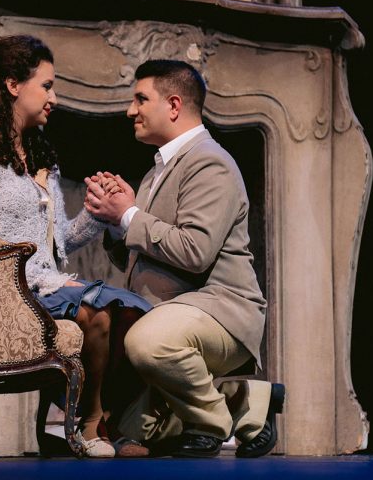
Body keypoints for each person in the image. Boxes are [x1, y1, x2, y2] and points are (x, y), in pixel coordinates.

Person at [0, 35, 151, 458]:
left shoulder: (39, 157)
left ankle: (110, 418)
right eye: (47, 86)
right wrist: (32, 276)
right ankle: (89, 423)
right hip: (1, 288)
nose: (54, 98)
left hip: (47, 282)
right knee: (93, 313)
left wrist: (98, 211)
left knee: (132, 312)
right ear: (13, 85)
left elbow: (59, 242)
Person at [84, 60, 285, 458]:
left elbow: (195, 251)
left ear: (174, 105)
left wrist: (129, 215)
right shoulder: (157, 172)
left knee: (148, 342)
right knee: (128, 430)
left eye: (141, 99)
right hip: (170, 313)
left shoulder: (209, 162)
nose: (130, 110)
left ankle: (210, 423)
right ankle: (246, 403)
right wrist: (117, 221)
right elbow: (145, 253)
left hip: (220, 311)